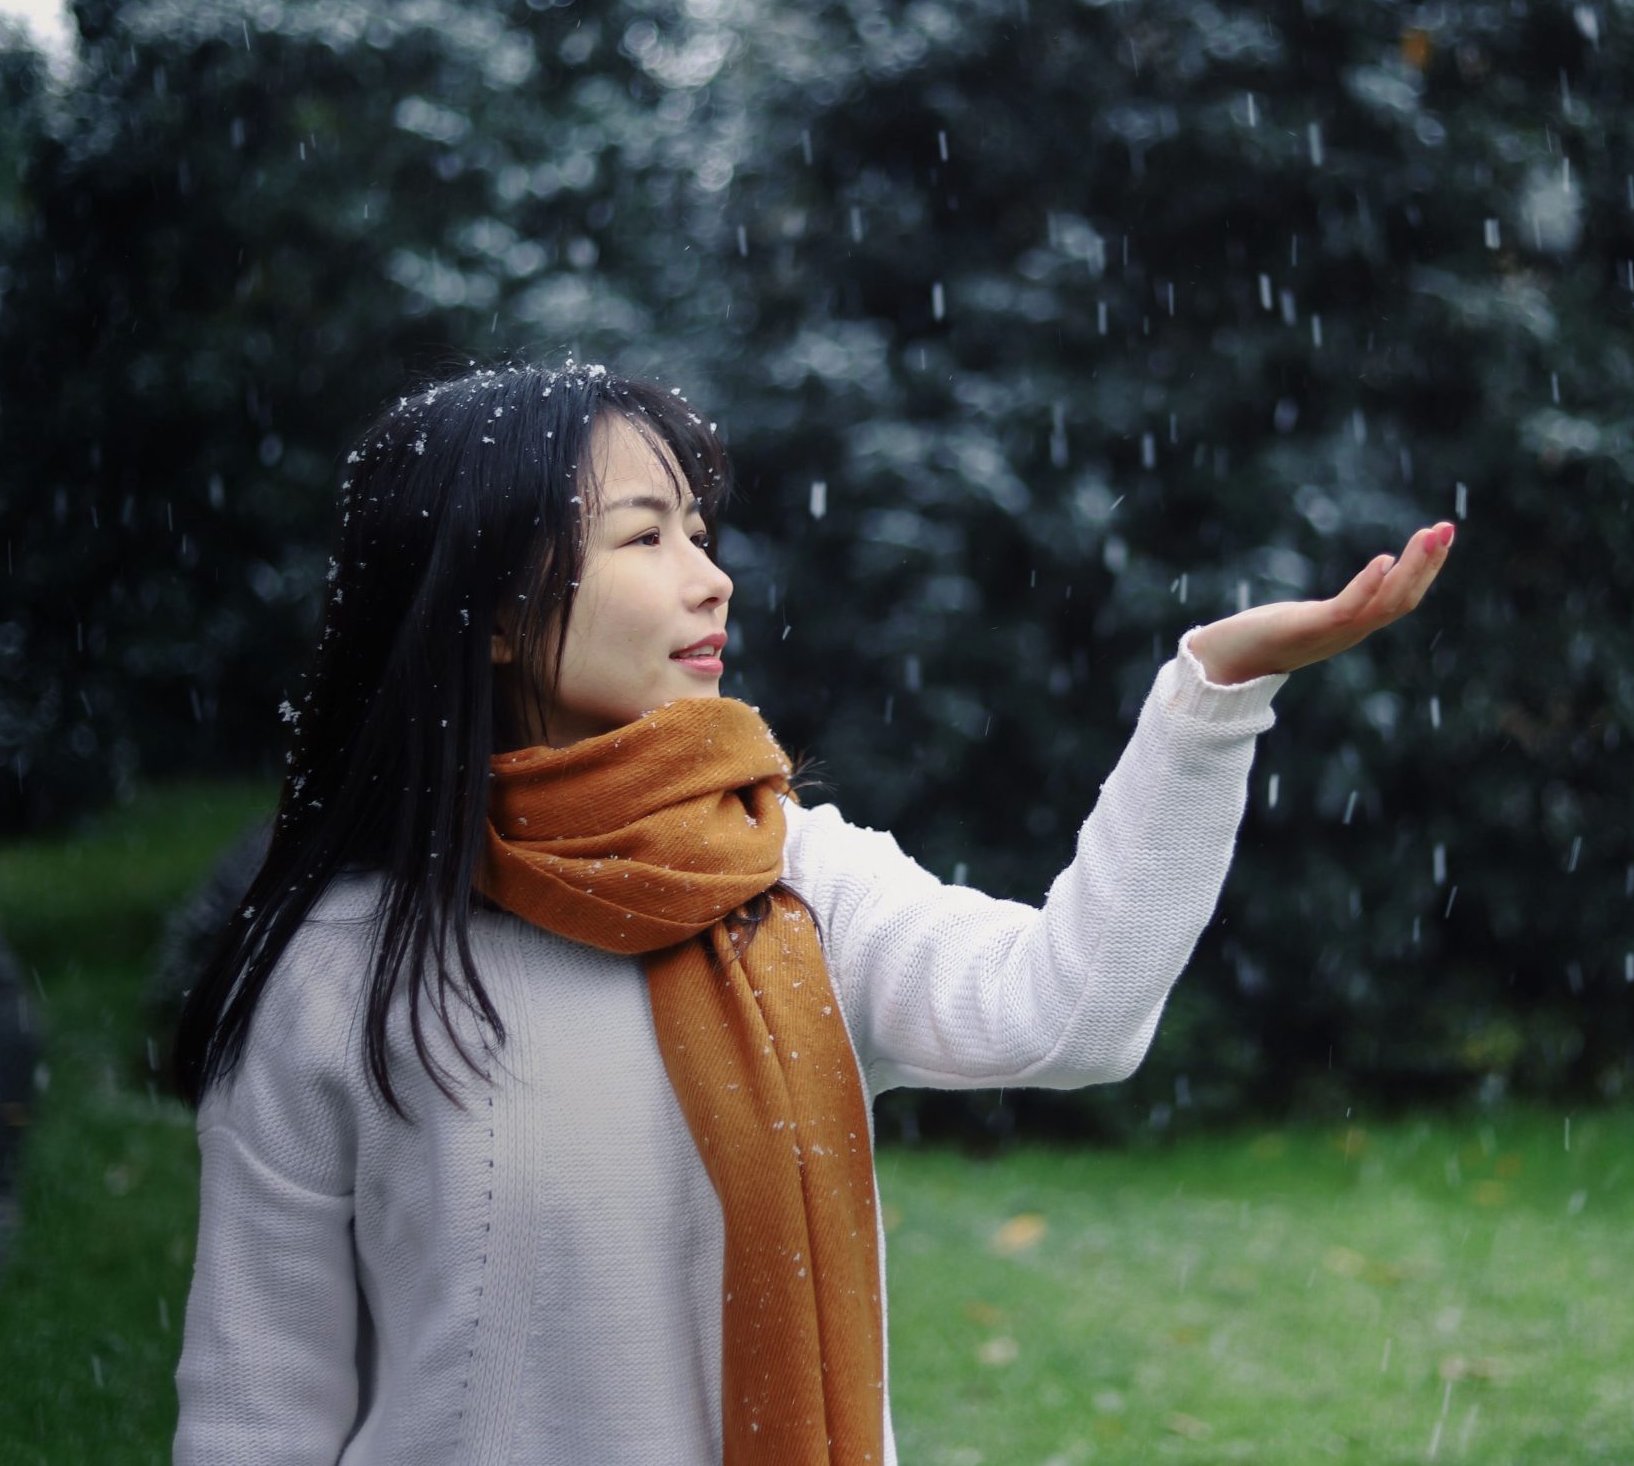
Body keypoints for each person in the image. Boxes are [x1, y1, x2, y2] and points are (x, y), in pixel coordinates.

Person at [168, 358, 1455, 1466]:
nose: (711, 578)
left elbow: (1073, 1015)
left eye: (699, 530)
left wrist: (1213, 695)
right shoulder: (339, 970)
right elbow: (256, 1412)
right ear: (495, 611)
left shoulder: (787, 880)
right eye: (644, 535)